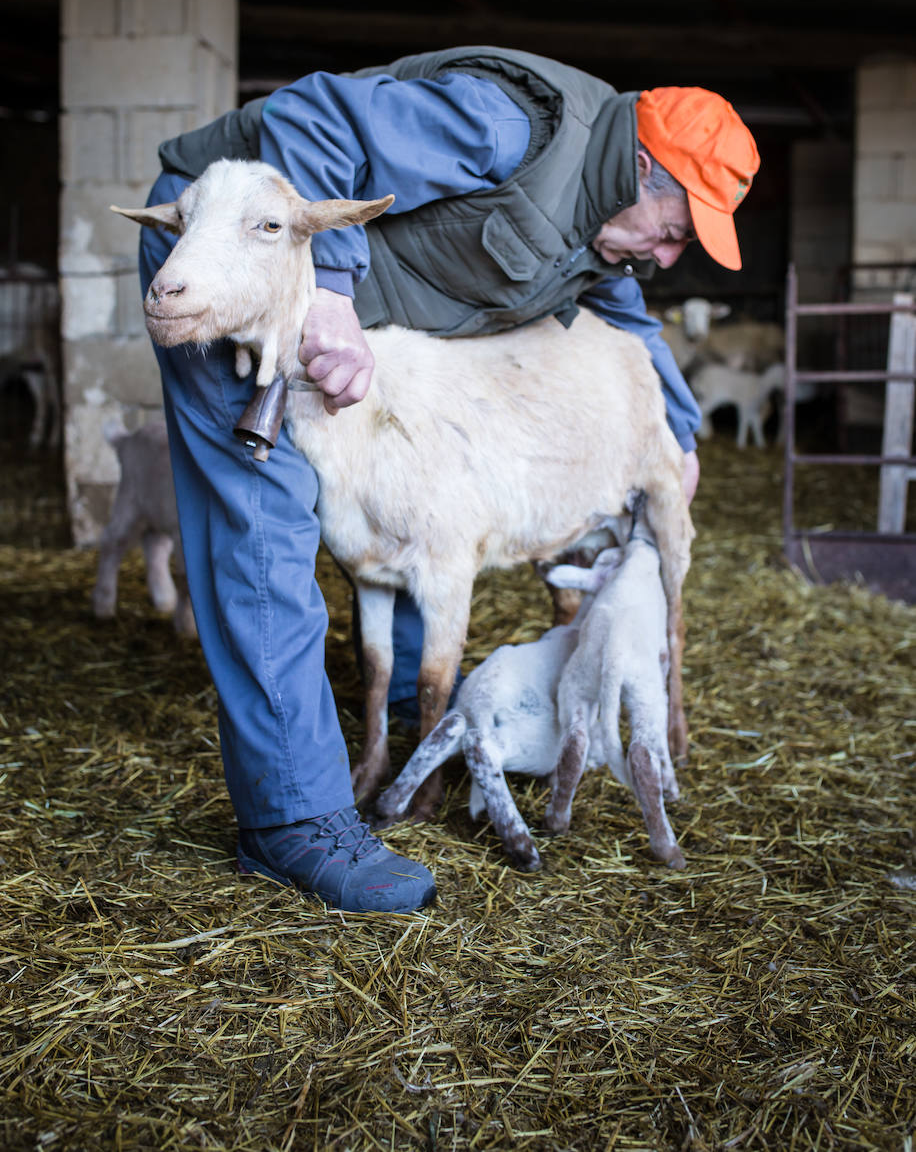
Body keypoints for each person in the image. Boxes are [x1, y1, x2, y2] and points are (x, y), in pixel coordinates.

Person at [138, 46, 760, 915]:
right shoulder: (508, 123)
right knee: (263, 519)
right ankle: (293, 821)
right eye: (676, 228)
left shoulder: (600, 235)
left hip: (338, 313)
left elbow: (629, 322)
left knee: (400, 507)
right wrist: (331, 294)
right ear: (645, 168)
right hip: (233, 244)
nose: (668, 253)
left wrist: (680, 437)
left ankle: (400, 714)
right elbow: (311, 122)